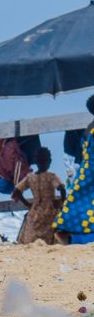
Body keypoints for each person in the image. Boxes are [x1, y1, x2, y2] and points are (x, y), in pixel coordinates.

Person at [53, 94, 94, 244]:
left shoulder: (89, 128)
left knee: (80, 202)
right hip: (90, 170)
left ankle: (69, 234)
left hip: (86, 171)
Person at [12, 147, 65, 244]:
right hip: (50, 209)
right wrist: (61, 201)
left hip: (35, 209)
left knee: (31, 234)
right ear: (49, 161)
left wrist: (28, 204)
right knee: (52, 231)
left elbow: (16, 191)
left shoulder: (30, 177)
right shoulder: (51, 176)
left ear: (35, 161)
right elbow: (62, 188)